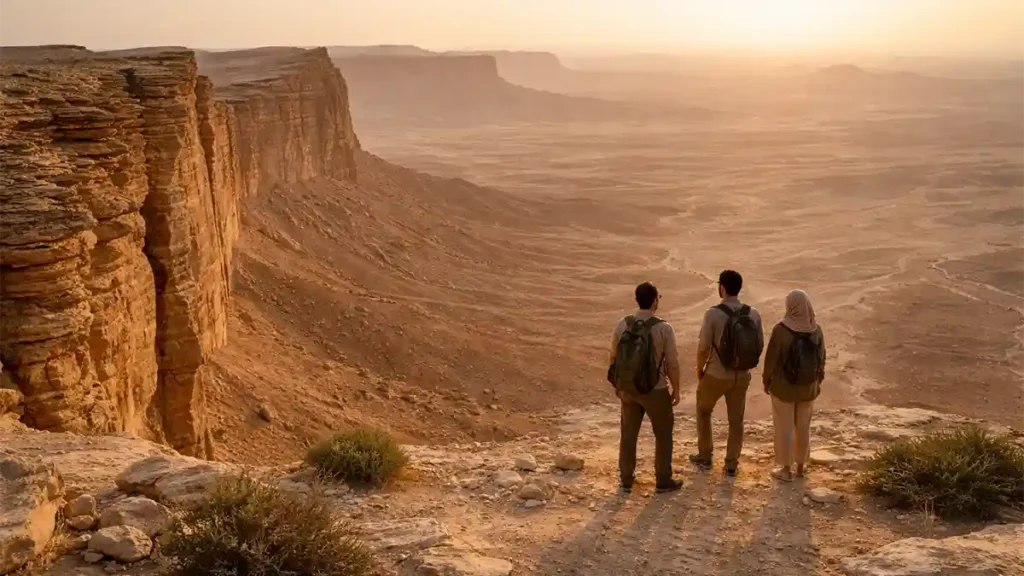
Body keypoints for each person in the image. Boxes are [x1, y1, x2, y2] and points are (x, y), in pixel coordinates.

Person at [608, 281, 684, 494]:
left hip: (628, 389)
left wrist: (619, 384)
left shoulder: (623, 324)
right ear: (654, 300)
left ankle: (625, 478)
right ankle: (663, 479)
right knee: (663, 433)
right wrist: (676, 390)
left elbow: (613, 356)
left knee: (629, 433)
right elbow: (672, 363)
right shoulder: (664, 328)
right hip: (655, 389)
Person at [691, 270, 764, 477]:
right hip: (741, 375)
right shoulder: (753, 313)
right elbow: (759, 345)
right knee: (736, 419)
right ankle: (731, 463)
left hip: (715, 374)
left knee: (704, 411)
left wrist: (700, 369)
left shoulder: (713, 314)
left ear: (722, 287)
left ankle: (705, 456)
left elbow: (704, 346)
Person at [763, 289, 826, 481]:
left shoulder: (781, 330)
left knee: (784, 428)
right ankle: (800, 467)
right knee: (803, 427)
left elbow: (771, 360)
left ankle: (785, 469)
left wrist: (766, 381)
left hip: (784, 388)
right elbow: (822, 359)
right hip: (808, 388)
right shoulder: (816, 329)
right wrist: (816, 382)